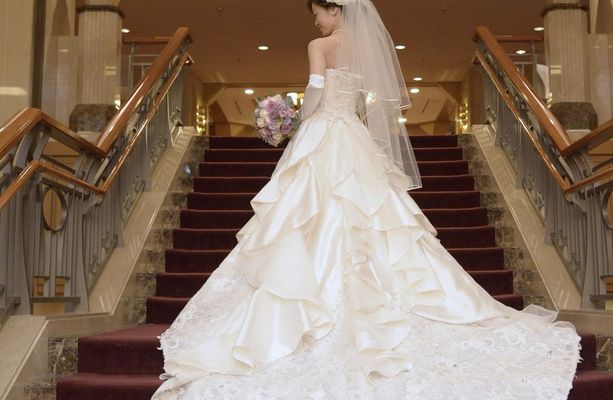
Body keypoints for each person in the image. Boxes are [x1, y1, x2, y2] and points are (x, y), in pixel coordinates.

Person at [151, 1, 581, 399]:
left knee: (306, 214)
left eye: (317, 12)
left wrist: (290, 119)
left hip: (324, 134)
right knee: (373, 215)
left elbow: (316, 92)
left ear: (334, 9)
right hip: (353, 137)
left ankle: (302, 310)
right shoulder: (366, 47)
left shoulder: (319, 45)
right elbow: (359, 104)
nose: (315, 21)